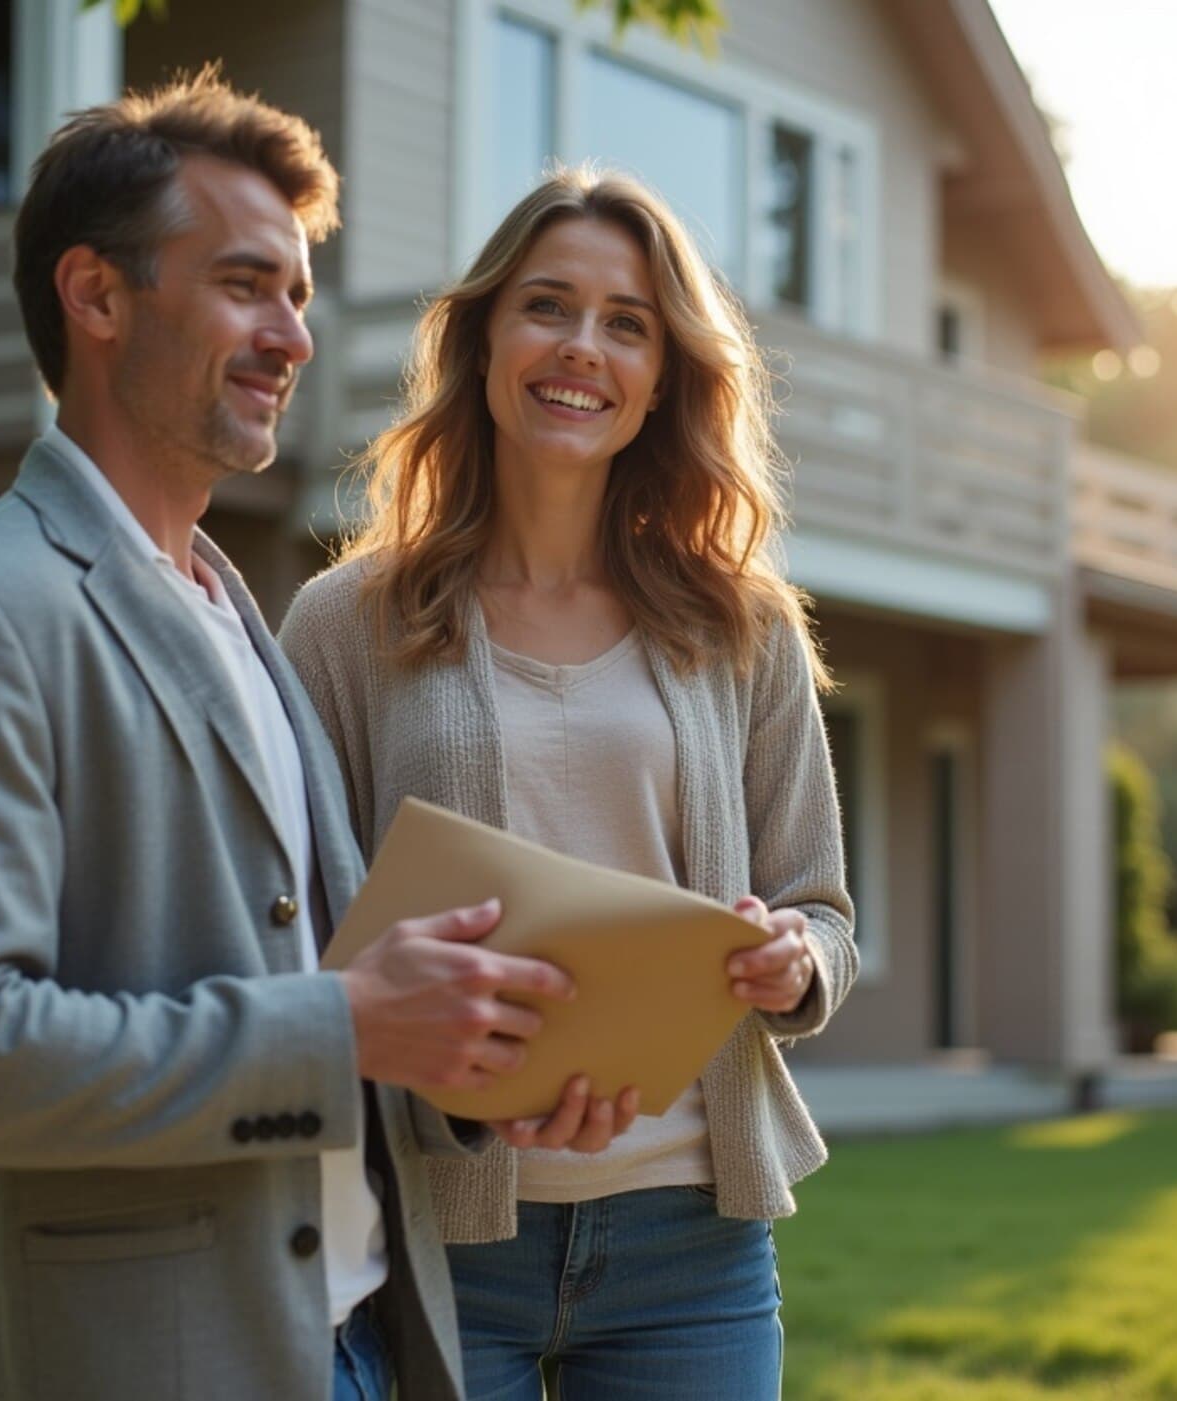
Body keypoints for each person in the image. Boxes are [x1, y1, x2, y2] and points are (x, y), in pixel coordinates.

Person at [0, 73, 595, 1401]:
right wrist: (347, 1027)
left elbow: (314, 981)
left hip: (368, 1345)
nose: (292, 336)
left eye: (299, 293)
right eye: (247, 284)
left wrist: (461, 1073)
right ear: (98, 296)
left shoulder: (240, 608)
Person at [279, 167, 857, 1399]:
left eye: (626, 322)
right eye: (546, 305)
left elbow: (822, 912)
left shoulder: (739, 624)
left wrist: (791, 963)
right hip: (431, 1242)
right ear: (483, 337)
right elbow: (289, 934)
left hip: (688, 1249)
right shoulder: (343, 624)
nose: (580, 347)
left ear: (660, 380)